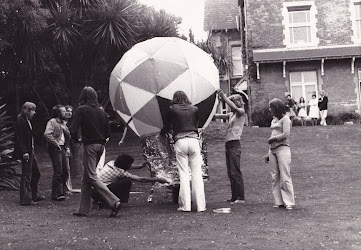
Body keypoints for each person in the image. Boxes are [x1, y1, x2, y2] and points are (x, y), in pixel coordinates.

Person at [70, 86, 121, 217]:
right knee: (86, 178)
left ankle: (114, 201)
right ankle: (83, 210)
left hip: (90, 146)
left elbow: (73, 129)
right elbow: (108, 130)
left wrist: (77, 140)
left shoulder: (81, 110)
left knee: (91, 176)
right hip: (101, 145)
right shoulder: (101, 110)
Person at [161, 90, 206, 212]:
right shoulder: (194, 109)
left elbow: (166, 126)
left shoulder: (172, 109)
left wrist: (162, 134)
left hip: (180, 140)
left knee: (184, 174)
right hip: (194, 140)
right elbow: (197, 124)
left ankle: (185, 206)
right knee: (197, 174)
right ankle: (200, 206)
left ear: (174, 99)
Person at [92, 154, 168, 208]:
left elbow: (125, 167)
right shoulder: (120, 172)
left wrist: (139, 167)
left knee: (119, 181)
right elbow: (141, 179)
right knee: (126, 181)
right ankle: (115, 201)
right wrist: (157, 179)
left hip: (94, 190)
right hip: (101, 192)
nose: (131, 166)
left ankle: (101, 201)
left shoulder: (111, 163)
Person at [213, 90, 246, 204]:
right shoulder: (231, 115)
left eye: (231, 102)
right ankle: (234, 196)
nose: (228, 105)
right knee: (230, 172)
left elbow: (236, 109)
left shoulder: (241, 112)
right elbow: (215, 115)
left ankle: (240, 197)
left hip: (235, 144)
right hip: (228, 144)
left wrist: (224, 97)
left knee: (235, 171)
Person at [264, 98, 295, 210]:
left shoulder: (286, 119)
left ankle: (289, 202)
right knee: (274, 176)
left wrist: (273, 139)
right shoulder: (274, 120)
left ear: (276, 108)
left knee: (285, 175)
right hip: (272, 150)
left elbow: (286, 134)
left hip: (283, 149)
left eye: (271, 107)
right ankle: (278, 201)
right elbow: (274, 132)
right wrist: (269, 152)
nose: (269, 109)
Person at [14, 102, 45, 205]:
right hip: (26, 152)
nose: (34, 113)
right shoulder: (20, 120)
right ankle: (25, 199)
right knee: (26, 174)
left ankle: (34, 194)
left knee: (36, 172)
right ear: (27, 110)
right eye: (33, 111)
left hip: (30, 150)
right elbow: (19, 138)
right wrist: (24, 152)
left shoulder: (28, 121)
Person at [44, 105, 71, 201]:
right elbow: (47, 134)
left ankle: (62, 190)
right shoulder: (52, 122)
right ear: (58, 113)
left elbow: (68, 136)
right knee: (58, 171)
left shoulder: (64, 123)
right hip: (56, 148)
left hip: (63, 147)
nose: (65, 113)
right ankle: (57, 193)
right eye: (63, 111)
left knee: (65, 170)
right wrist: (55, 143)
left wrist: (67, 147)